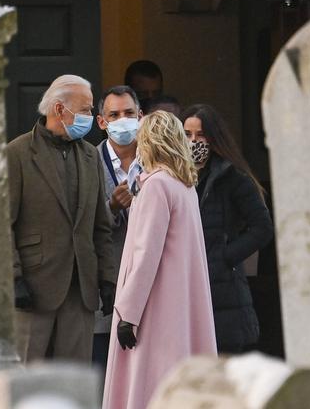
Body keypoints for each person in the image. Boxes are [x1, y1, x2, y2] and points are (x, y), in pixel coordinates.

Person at [102, 111, 217, 409]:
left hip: (154, 306)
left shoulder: (155, 185)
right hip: (180, 303)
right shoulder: (184, 185)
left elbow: (145, 253)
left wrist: (129, 313)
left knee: (149, 384)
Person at [7, 75, 119, 363]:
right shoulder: (17, 153)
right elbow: (0, 227)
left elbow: (100, 226)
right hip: (33, 288)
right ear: (59, 109)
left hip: (80, 289)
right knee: (28, 379)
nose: (91, 118)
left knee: (73, 380)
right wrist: (14, 277)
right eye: (85, 110)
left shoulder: (90, 156)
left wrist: (107, 278)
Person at [180, 104, 274, 353]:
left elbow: (262, 227)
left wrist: (225, 256)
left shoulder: (232, 177)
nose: (193, 141)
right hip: (186, 283)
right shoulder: (176, 177)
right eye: (187, 135)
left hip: (223, 288)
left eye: (200, 135)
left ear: (213, 138)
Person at [91, 86, 143, 371]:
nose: (122, 120)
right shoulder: (88, 161)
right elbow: (77, 223)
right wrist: (110, 209)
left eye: (128, 113)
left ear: (141, 116)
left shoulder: (155, 162)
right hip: (105, 291)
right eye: (114, 114)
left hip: (147, 287)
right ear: (101, 121)